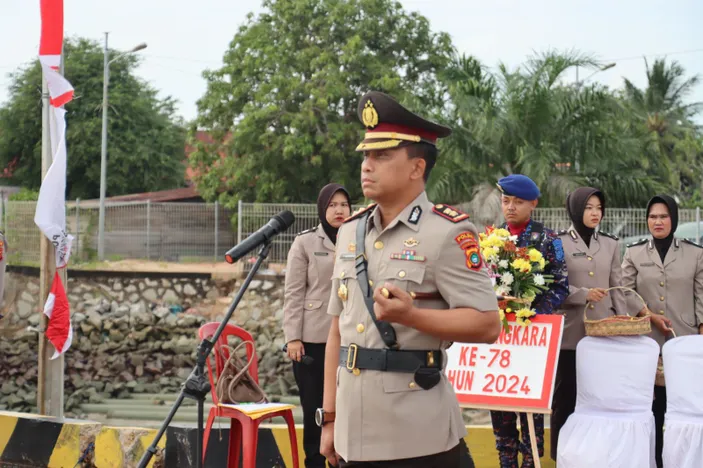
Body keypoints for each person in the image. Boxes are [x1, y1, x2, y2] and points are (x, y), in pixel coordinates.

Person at [317, 90, 501, 468]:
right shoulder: (350, 232)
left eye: (382, 155)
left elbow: (487, 324)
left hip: (418, 436)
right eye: (366, 155)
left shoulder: (448, 232)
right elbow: (338, 332)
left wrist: (412, 316)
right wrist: (330, 421)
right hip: (353, 431)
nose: (367, 166)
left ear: (417, 167)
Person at [490, 174, 569, 468]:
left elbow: (561, 286)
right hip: (499, 339)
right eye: (506, 200)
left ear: (533, 203)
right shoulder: (492, 239)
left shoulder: (549, 240)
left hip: (532, 339)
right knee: (500, 414)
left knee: (530, 417)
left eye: (518, 202)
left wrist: (534, 314)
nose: (510, 207)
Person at [621, 194, 703, 468]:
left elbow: (701, 296)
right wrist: (647, 314)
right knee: (652, 407)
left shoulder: (695, 253)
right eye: (653, 216)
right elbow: (625, 291)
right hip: (648, 343)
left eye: (664, 216)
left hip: (685, 342)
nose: (658, 221)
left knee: (684, 407)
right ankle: (653, 460)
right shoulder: (634, 252)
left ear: (674, 219)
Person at [550, 187, 631, 460]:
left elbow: (617, 287)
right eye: (588, 208)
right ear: (575, 209)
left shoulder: (611, 243)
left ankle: (595, 455)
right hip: (571, 334)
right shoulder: (557, 242)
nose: (595, 213)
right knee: (566, 396)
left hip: (604, 332)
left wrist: (624, 323)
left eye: (598, 208)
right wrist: (583, 295)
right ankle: (560, 454)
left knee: (600, 397)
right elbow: (553, 287)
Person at [283, 183, 352, 468]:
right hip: (312, 340)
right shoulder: (306, 242)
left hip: (350, 339)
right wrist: (293, 338)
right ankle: (313, 462)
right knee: (314, 410)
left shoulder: (359, 239)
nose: (339, 210)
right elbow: (293, 292)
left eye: (344, 205)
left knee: (347, 409)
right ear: (322, 209)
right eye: (332, 205)